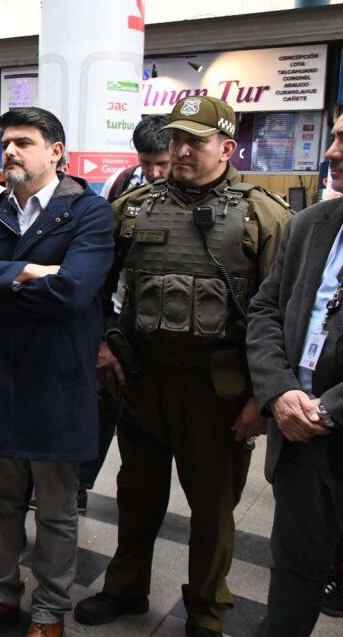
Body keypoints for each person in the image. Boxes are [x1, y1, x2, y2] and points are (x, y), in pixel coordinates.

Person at [74, 96, 293, 637]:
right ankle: (125, 589)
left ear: (227, 148)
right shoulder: (133, 207)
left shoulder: (265, 216)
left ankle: (206, 611)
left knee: (213, 512)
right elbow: (101, 288)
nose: (182, 150)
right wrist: (105, 340)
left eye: (196, 140)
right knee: (136, 494)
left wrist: (259, 399)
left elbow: (280, 318)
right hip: (143, 381)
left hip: (218, 391)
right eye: (177, 139)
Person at [0, 107, 114, 637]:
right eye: (6, 142)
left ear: (55, 152)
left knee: (57, 511)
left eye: (23, 142)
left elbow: (74, 291)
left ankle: (49, 610)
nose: (10, 151)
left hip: (54, 383)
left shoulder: (88, 213)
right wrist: (26, 271)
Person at [247, 113, 343, 637]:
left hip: (325, 420)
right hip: (299, 435)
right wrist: (280, 390)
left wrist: (328, 409)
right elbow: (264, 310)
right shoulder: (311, 226)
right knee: (294, 576)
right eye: (333, 138)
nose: (330, 153)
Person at [79, 114, 173, 514]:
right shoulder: (121, 187)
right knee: (100, 408)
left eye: (161, 164)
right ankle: (80, 484)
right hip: (117, 319)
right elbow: (105, 264)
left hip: (165, 329)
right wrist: (103, 333)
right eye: (146, 161)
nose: (153, 172)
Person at [99, 115, 172, 203]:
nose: (154, 173)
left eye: (162, 164)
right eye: (146, 163)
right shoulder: (117, 183)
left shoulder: (190, 189)